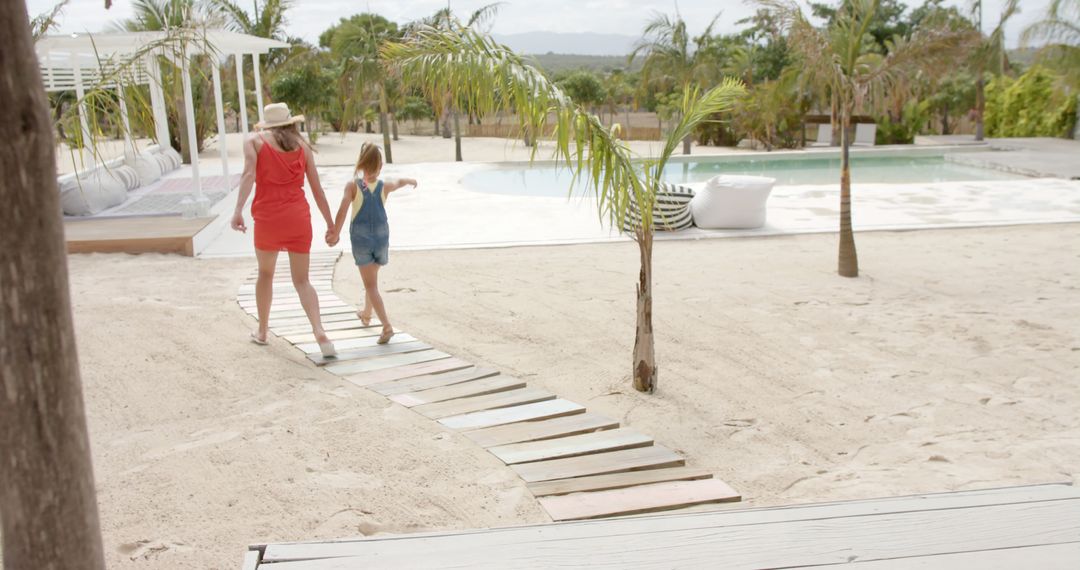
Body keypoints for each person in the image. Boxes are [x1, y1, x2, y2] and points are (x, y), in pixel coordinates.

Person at [231, 103, 337, 357]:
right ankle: (320, 331)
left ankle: (263, 331)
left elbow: (247, 176)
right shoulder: (303, 146)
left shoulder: (254, 143)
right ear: (291, 122)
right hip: (298, 218)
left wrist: (237, 211)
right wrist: (330, 223)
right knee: (302, 281)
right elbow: (317, 189)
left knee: (265, 274)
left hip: (268, 217)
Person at [328, 143, 416, 345]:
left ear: (360, 164)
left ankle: (386, 326)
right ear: (381, 165)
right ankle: (366, 314)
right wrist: (410, 180)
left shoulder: (353, 186)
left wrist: (334, 234)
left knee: (371, 284)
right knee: (372, 280)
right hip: (382, 239)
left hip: (362, 240)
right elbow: (399, 181)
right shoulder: (384, 186)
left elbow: (342, 212)